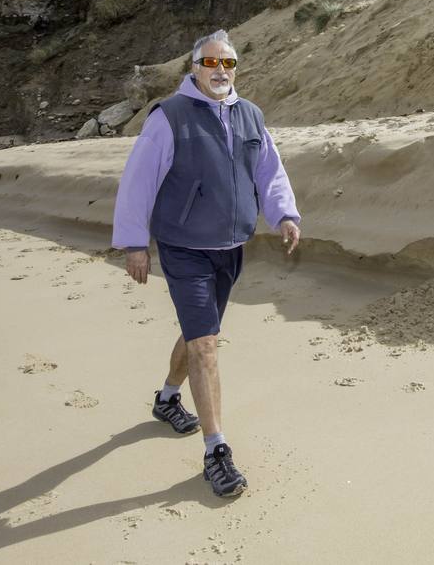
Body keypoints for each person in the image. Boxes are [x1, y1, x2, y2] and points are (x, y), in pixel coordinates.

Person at [112, 29, 301, 498]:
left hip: (231, 245)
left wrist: (284, 214)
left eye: (229, 64)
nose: (220, 71)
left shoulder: (251, 115)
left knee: (203, 334)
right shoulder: (169, 116)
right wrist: (135, 242)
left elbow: (269, 170)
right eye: (211, 63)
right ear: (194, 67)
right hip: (183, 246)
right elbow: (138, 180)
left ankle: (167, 398)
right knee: (206, 347)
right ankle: (216, 450)